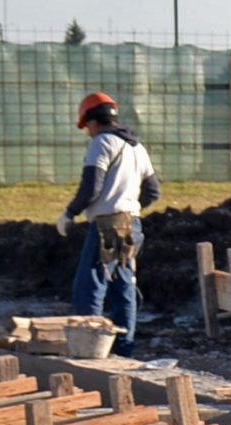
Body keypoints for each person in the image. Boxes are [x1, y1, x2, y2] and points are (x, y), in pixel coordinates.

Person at [57, 92, 159, 358]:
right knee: (123, 285)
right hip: (132, 225)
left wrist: (70, 213)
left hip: (106, 225)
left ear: (93, 121)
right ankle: (124, 349)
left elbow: (92, 187)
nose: (88, 132)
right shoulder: (137, 147)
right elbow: (153, 192)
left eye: (87, 126)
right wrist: (129, 207)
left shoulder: (101, 143)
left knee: (89, 285)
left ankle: (87, 349)